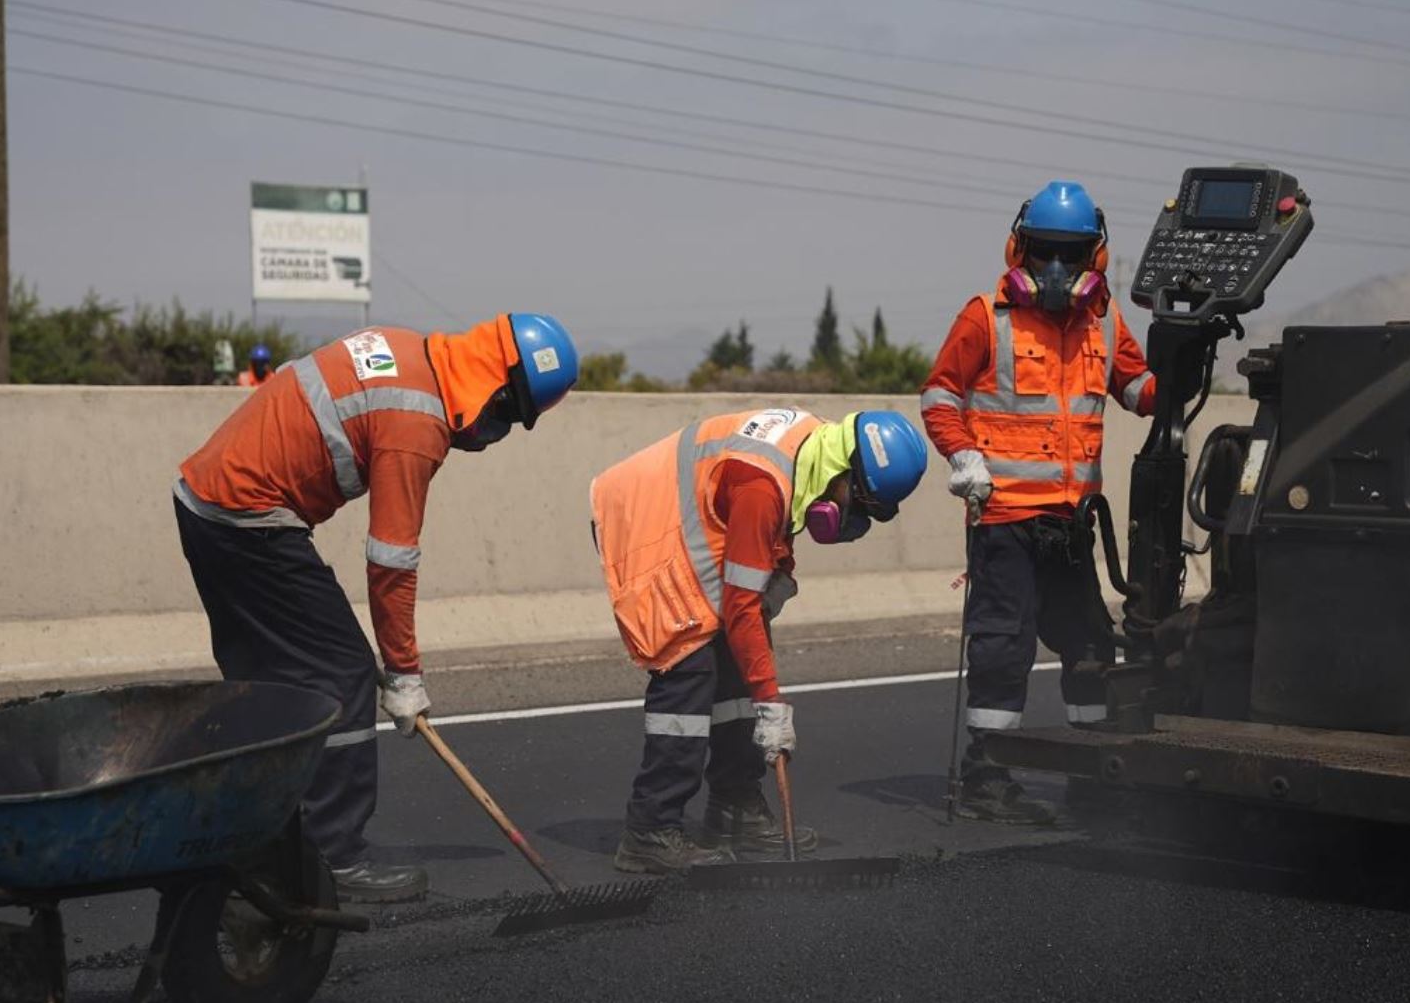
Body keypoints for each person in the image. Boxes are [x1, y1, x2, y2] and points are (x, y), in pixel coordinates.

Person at [174, 314, 580, 901]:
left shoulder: (409, 351)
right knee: (342, 672)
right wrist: (403, 672)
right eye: (512, 415)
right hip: (247, 520)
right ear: (498, 386)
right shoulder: (417, 422)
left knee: (272, 689)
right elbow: (391, 560)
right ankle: (333, 857)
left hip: (206, 504)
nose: (502, 432)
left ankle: (256, 840)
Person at [590, 408, 929, 873]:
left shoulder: (813, 451)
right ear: (843, 470)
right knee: (688, 663)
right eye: (857, 503)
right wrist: (770, 704)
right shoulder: (761, 483)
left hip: (700, 517)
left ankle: (734, 809)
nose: (849, 518)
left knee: (733, 663)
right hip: (647, 523)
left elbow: (772, 534)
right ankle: (650, 829)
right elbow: (741, 604)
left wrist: (779, 572)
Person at [921, 180, 1156, 824]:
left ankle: (1093, 772)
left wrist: (1183, 357)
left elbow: (1138, 390)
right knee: (1002, 646)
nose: (1056, 270)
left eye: (1071, 255)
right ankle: (987, 776)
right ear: (1017, 248)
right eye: (1043, 253)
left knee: (1089, 646)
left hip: (1074, 520)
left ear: (1095, 259)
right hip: (1004, 519)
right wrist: (962, 456)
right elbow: (939, 396)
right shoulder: (984, 316)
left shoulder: (1104, 319)